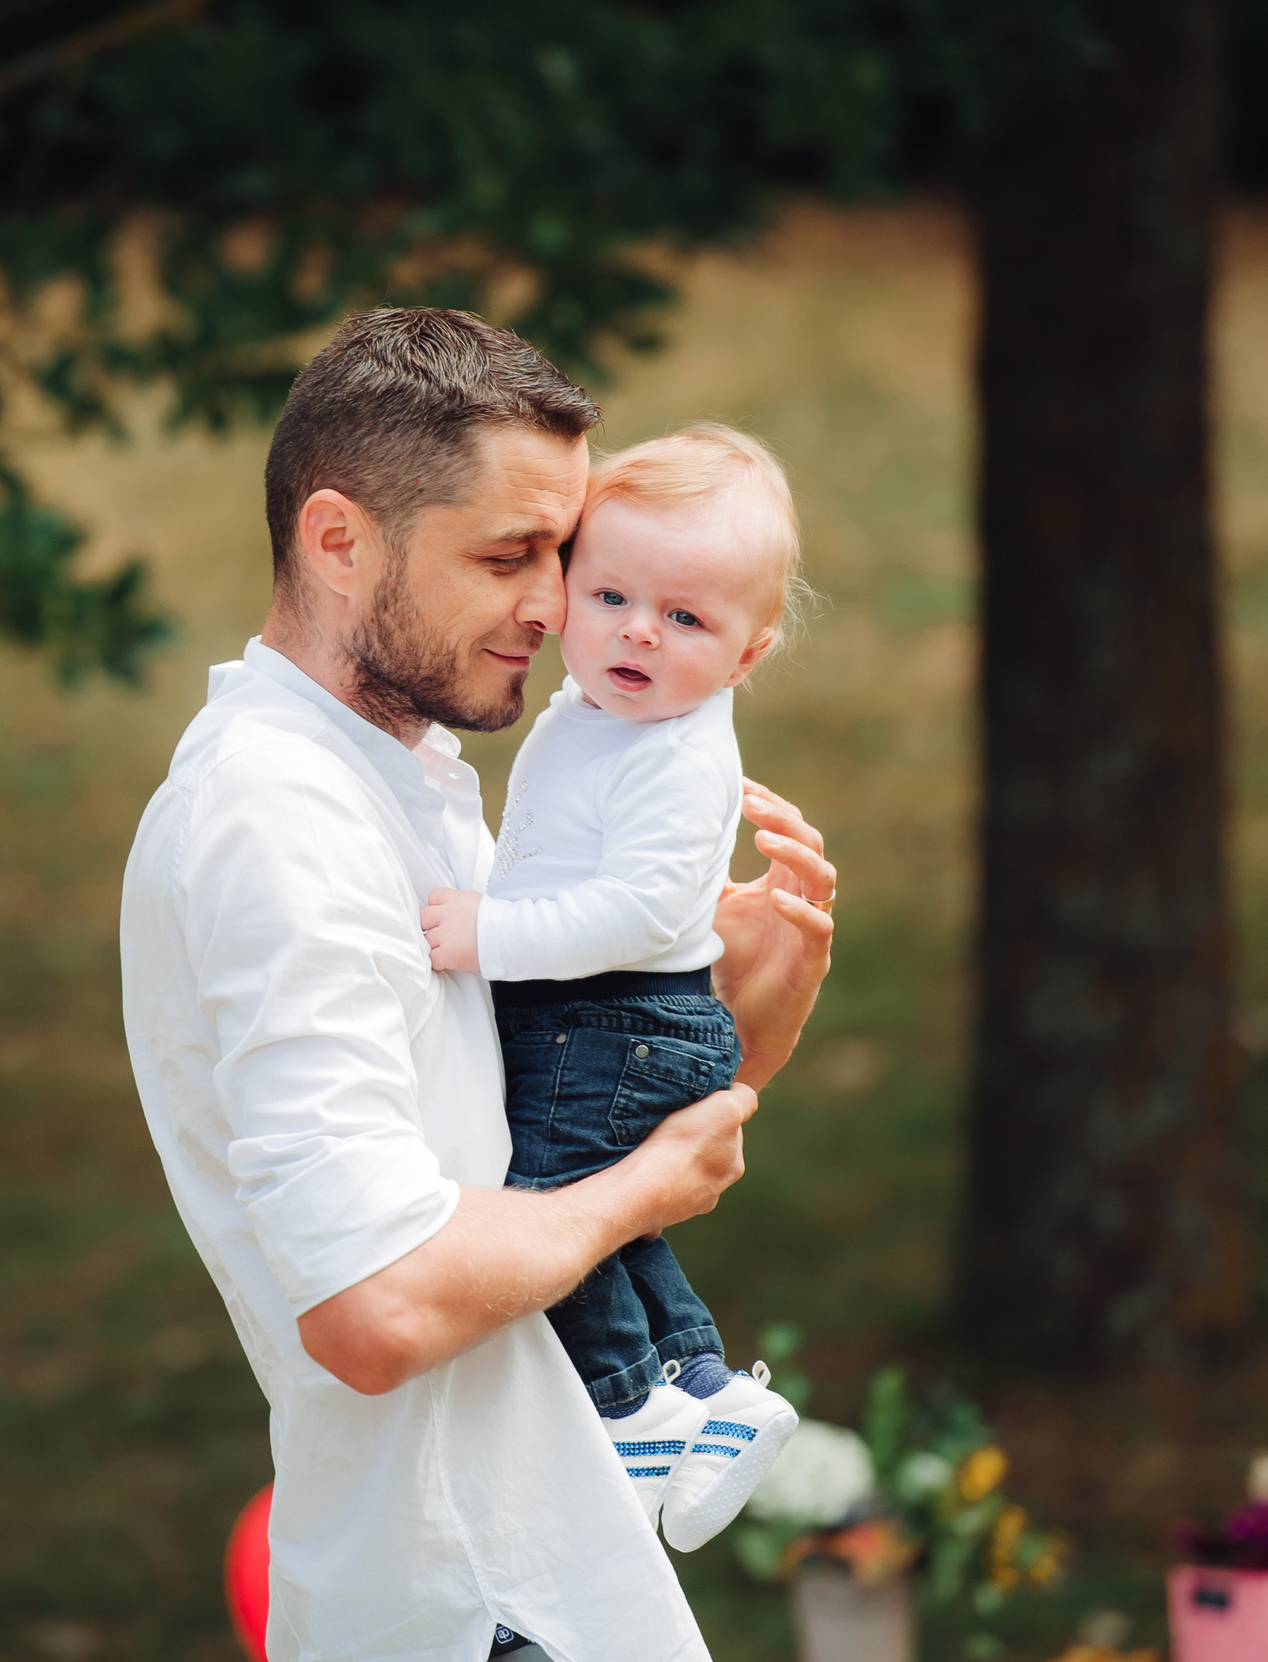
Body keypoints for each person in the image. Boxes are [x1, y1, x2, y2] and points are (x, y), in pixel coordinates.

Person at [120, 309, 836, 1662]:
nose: (554, 604)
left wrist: (741, 1022)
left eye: (561, 555)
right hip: (475, 1604)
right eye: (509, 557)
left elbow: (527, 1152)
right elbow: (376, 1306)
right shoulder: (276, 826)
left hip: (549, 1572)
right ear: (339, 542)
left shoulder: (415, 783)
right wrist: (652, 1188)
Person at [417, 425, 809, 1556]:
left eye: (686, 619)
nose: (638, 630)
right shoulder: (606, 713)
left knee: (543, 1205)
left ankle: (628, 1406)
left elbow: (631, 912)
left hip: (617, 1020)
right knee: (616, 1216)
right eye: (611, 595)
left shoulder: (677, 755)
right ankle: (707, 1387)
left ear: (746, 653)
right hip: (612, 1021)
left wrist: (491, 932)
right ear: (567, 591)